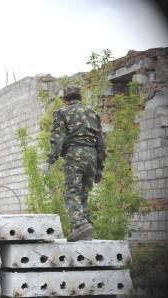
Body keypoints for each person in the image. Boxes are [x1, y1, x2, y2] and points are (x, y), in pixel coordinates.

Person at [43, 86, 106, 241]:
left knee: (71, 192)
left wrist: (50, 160)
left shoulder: (62, 113)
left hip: (74, 156)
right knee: (83, 194)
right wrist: (99, 169)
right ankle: (87, 225)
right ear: (80, 97)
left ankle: (79, 225)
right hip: (92, 156)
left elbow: (57, 140)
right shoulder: (93, 114)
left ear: (65, 99)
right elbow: (101, 144)